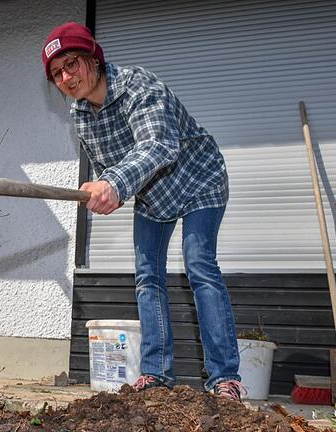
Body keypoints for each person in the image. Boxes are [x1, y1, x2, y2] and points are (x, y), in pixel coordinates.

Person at [42, 22, 243, 401]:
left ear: (93, 59)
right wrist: (104, 191)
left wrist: (114, 184)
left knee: (200, 266)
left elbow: (159, 146)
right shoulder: (80, 114)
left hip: (199, 179)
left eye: (72, 64)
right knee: (147, 276)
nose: (67, 77)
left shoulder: (138, 85)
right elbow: (108, 167)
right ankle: (157, 375)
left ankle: (224, 378)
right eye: (57, 73)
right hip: (154, 194)